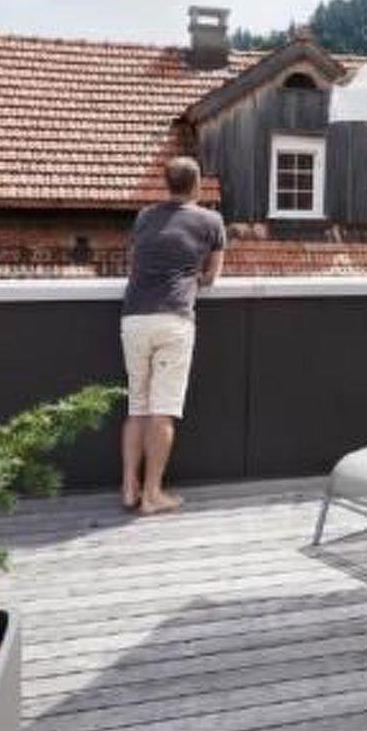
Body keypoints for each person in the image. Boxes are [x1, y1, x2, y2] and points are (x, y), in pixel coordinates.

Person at [120, 156, 226, 514]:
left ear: (167, 184)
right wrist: (194, 276)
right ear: (197, 185)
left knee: (137, 407)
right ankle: (152, 495)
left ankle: (129, 488)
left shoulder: (144, 216)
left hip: (134, 317)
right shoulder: (211, 221)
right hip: (173, 319)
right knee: (162, 411)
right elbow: (211, 277)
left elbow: (134, 261)